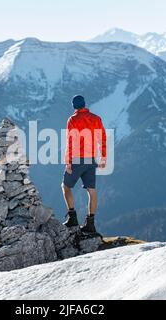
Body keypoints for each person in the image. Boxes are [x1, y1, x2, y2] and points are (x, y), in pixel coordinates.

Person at [62, 95, 107, 234]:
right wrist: (103, 157)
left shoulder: (73, 120)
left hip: (77, 158)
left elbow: (70, 141)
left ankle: (72, 217)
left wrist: (68, 161)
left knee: (65, 186)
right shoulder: (96, 118)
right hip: (91, 158)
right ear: (84, 104)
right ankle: (90, 223)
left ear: (74, 106)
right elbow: (102, 138)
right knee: (91, 190)